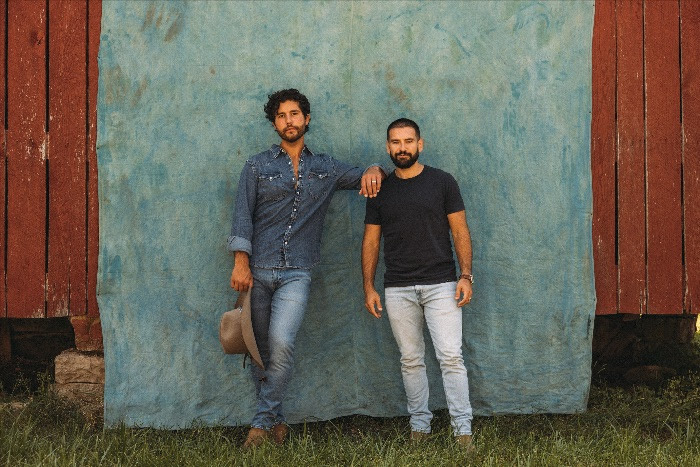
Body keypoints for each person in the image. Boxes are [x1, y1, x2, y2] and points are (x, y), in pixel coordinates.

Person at [228, 88, 386, 448]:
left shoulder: (326, 168)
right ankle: (277, 422)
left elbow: (365, 176)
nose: (289, 121)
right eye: (281, 116)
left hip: (297, 272)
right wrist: (240, 262)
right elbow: (242, 216)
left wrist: (375, 168)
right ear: (274, 123)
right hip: (257, 272)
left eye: (295, 114)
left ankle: (260, 425)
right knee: (259, 351)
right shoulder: (256, 166)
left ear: (306, 119)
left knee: (281, 343)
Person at [362, 118, 474, 448]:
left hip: (442, 284)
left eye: (408, 141)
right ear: (388, 147)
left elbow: (460, 230)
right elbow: (371, 241)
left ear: (420, 144)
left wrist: (466, 275)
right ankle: (419, 427)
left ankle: (463, 430)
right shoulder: (380, 190)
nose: (402, 148)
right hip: (397, 287)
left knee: (450, 357)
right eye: (396, 142)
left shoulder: (442, 182)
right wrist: (368, 286)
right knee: (410, 360)